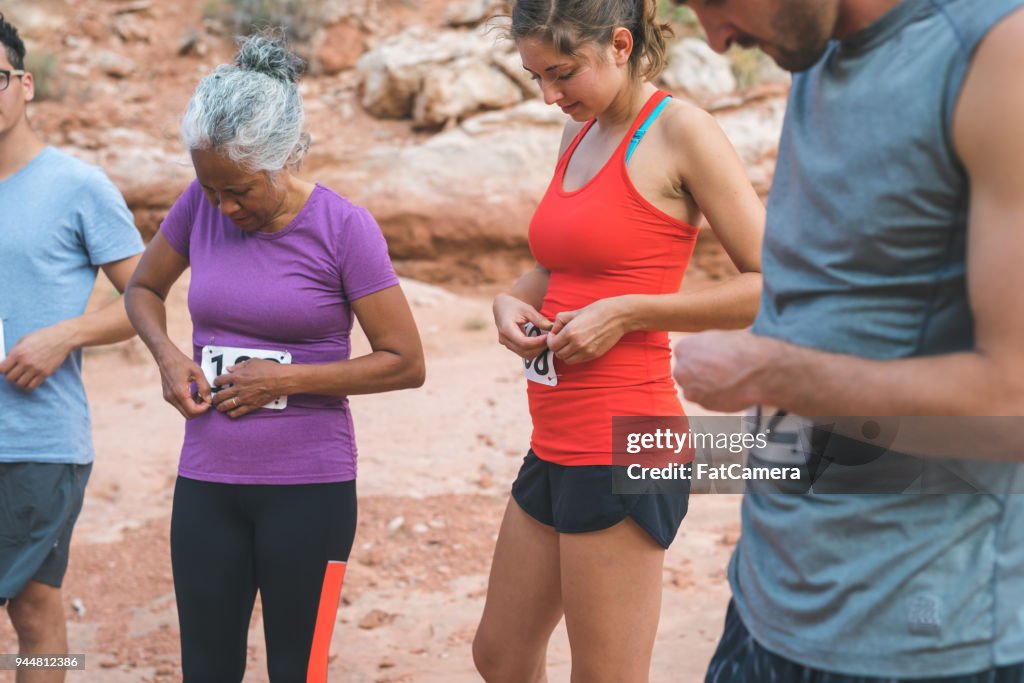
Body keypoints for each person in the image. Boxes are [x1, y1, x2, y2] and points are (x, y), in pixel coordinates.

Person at [671, 0, 1024, 681]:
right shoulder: (817, 43)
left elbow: (1013, 398)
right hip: (764, 604)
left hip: (920, 643)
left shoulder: (994, 53)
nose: (715, 40)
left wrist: (769, 372)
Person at [472, 1, 765, 681]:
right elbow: (559, 264)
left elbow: (772, 283)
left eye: (562, 72)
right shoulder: (579, 131)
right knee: (501, 652)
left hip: (632, 440)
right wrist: (509, 299)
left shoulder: (682, 131)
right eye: (535, 76)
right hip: (556, 436)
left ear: (620, 44)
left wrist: (630, 313)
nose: (549, 95)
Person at [124, 34, 424, 682]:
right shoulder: (198, 205)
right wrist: (168, 354)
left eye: (238, 190)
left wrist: (284, 381)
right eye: (211, 190)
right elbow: (143, 288)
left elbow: (405, 360)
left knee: (298, 669)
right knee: (206, 667)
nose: (223, 208)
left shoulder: (345, 228)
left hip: (309, 488)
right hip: (207, 480)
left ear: (282, 157)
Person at [0, 12, 144, 682]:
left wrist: (67, 333)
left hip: (36, 440)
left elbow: (150, 298)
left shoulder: (78, 185)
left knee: (33, 611)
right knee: (37, 603)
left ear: (25, 84)